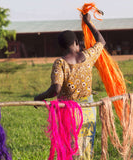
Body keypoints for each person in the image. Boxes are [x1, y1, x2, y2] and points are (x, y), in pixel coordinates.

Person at [34, 13, 106, 160]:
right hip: (88, 109)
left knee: (71, 147)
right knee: (86, 145)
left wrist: (39, 97)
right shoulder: (88, 56)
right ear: (75, 42)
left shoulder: (60, 63)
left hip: (69, 112)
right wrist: (88, 22)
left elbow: (56, 89)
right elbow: (101, 41)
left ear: (61, 47)